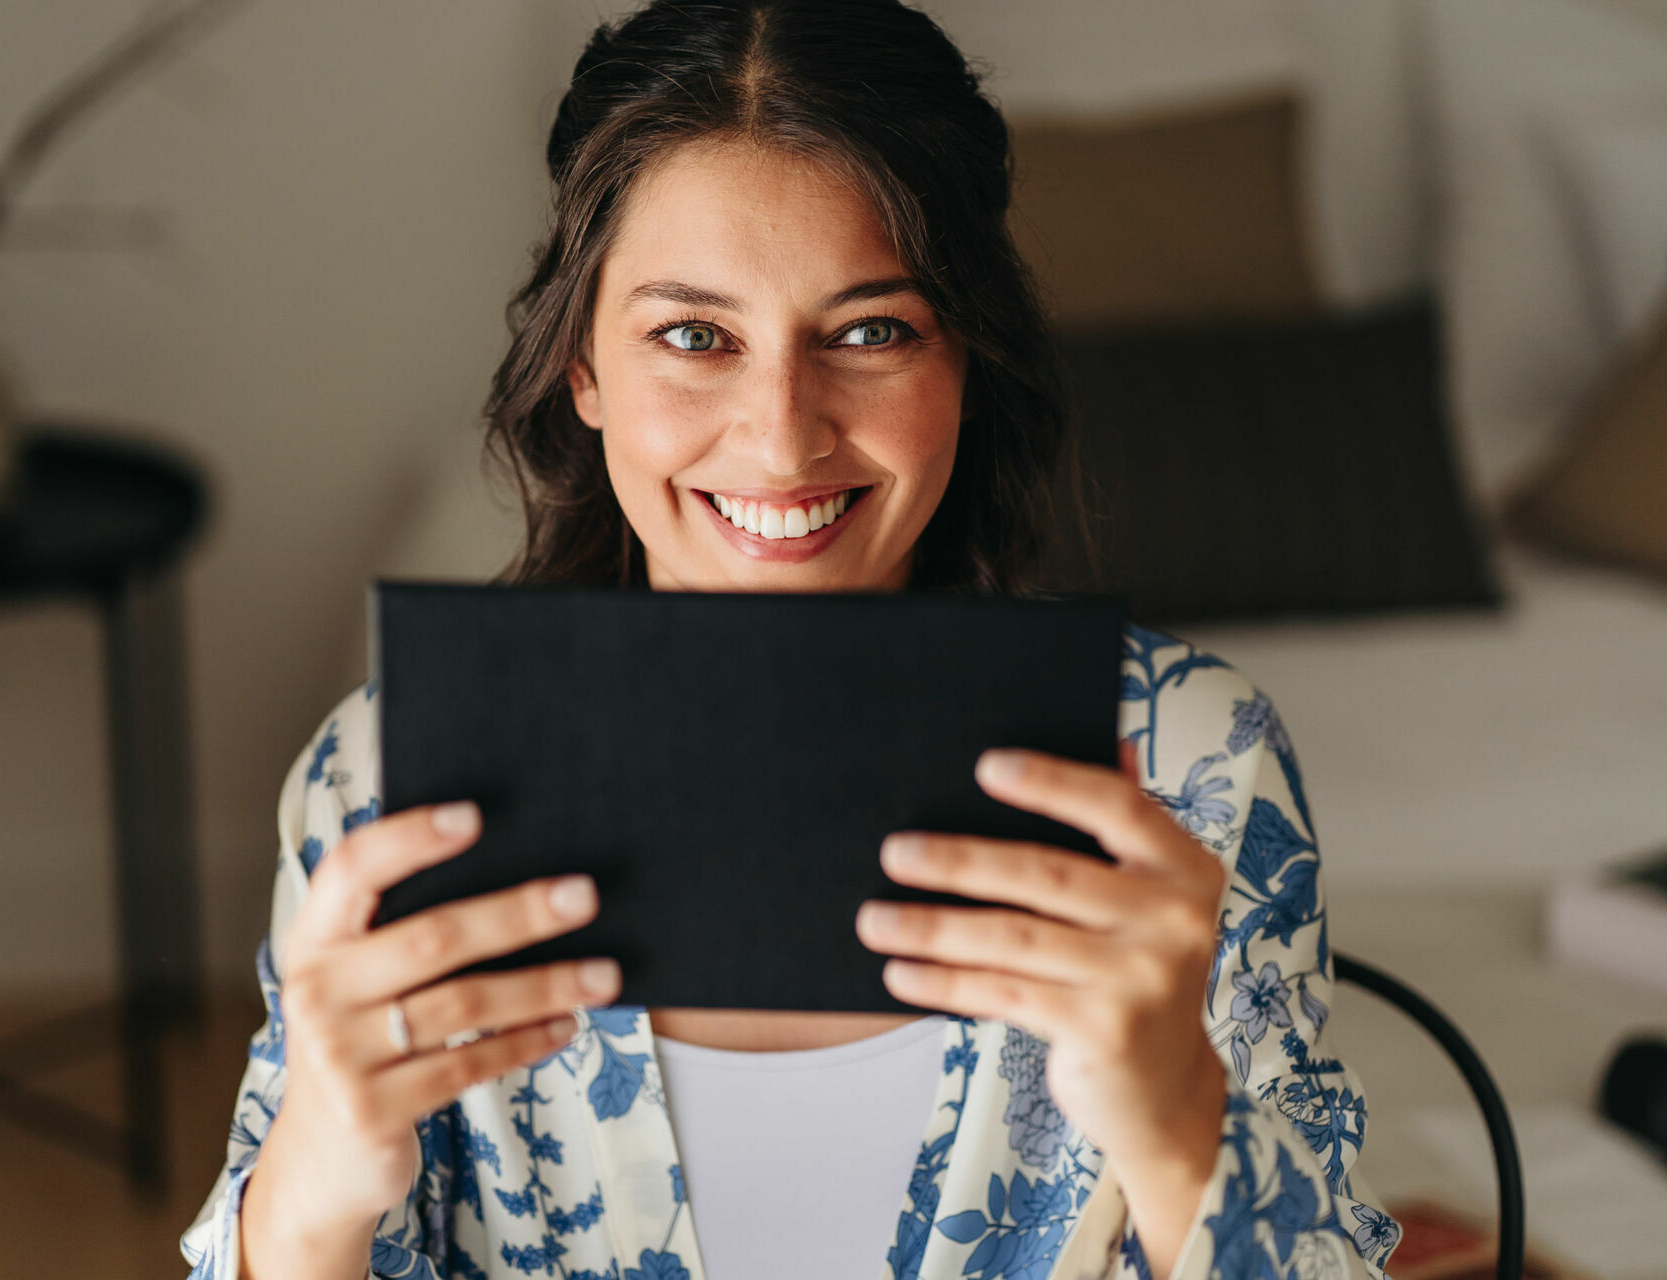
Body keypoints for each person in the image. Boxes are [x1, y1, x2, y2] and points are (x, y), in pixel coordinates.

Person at [181, 2, 1403, 1277]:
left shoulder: (1190, 766)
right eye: (693, 336)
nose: (782, 432)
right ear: (583, 364)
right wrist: (316, 1177)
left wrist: (1177, 1122)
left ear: (966, 363)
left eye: (871, 330)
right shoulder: (385, 784)